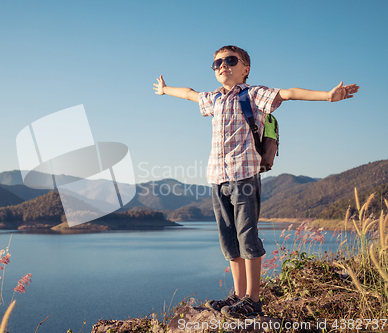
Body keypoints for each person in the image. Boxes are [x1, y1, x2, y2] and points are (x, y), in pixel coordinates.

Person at [153, 45, 359, 318]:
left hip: (244, 178)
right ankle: (237, 296)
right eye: (217, 63)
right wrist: (165, 90)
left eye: (230, 61)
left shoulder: (252, 94)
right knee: (229, 242)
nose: (222, 66)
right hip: (217, 179)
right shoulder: (213, 99)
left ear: (245, 69)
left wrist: (327, 96)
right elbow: (190, 94)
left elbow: (287, 93)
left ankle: (253, 299)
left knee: (247, 237)